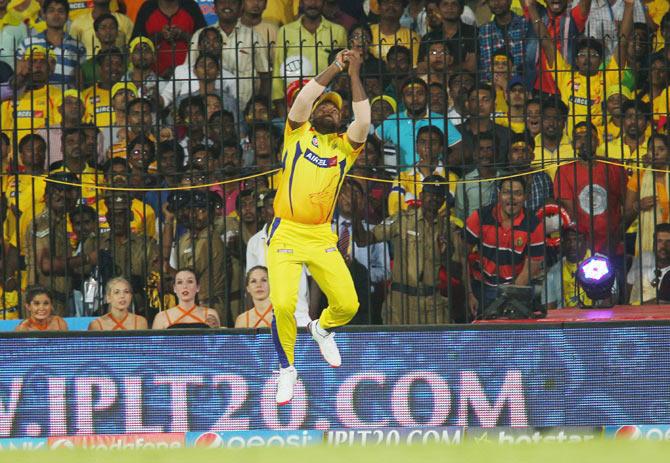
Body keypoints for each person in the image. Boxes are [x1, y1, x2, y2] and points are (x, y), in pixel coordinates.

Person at [269, 49, 370, 405]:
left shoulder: (346, 147)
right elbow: (305, 96)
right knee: (282, 304)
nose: (329, 108)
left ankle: (322, 329)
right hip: (286, 232)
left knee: (348, 304)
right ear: (312, 114)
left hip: (320, 235)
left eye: (335, 108)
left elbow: (364, 120)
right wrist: (336, 67)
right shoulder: (296, 132)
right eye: (324, 106)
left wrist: (355, 72)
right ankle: (286, 370)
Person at [354, 175, 465, 324]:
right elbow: (362, 241)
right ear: (421, 195)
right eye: (430, 194)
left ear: (444, 200)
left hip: (432, 304)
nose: (434, 199)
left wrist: (445, 255)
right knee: (398, 346)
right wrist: (355, 216)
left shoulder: (448, 229)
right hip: (401, 301)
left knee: (434, 347)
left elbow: (458, 271)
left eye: (438, 195)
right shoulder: (402, 220)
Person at [466, 177, 546, 316]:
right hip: (481, 289)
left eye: (518, 193)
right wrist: (469, 293)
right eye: (507, 192)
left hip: (517, 288)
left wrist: (510, 294)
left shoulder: (533, 224)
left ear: (525, 197)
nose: (512, 198)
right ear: (499, 195)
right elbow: (462, 255)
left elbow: (533, 263)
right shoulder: (480, 216)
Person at [24, 172, 84, 316]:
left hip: (59, 300)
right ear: (46, 195)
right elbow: (46, 265)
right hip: (43, 303)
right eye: (56, 191)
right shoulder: (43, 223)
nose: (62, 196)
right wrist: (86, 259)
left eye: (68, 191)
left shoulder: (60, 223)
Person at [271, 0, 347, 111]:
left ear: (323, 3)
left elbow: (343, 69)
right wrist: (279, 105)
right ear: (301, 3)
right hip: (294, 100)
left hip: (327, 99)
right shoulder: (286, 31)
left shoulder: (338, 31)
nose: (313, 4)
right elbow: (278, 68)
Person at [17, 0, 85, 86]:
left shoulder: (77, 47)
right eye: (51, 10)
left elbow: (79, 84)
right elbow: (17, 83)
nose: (56, 14)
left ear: (67, 16)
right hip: (34, 98)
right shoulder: (27, 44)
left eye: (60, 11)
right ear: (44, 15)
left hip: (64, 98)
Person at [132, 0, 207, 77]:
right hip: (152, 77)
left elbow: (205, 41)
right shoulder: (147, 8)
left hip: (189, 76)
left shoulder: (191, 6)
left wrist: (183, 35)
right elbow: (135, 44)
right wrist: (160, 36)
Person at [624, 133, 670, 255]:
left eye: (661, 149)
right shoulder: (639, 177)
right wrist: (638, 206)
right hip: (648, 243)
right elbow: (626, 216)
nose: (656, 153)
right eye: (651, 149)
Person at [152, 268, 221, 328]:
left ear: (198, 287)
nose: (185, 286)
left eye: (190, 281)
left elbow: (218, 341)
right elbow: (155, 343)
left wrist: (215, 329)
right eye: (180, 282)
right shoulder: (162, 317)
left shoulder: (210, 314)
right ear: (174, 288)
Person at [69, 0, 134, 58]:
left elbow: (133, 49)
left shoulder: (125, 21)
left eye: (111, 27)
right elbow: (72, 52)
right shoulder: (78, 23)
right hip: (88, 69)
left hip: (118, 68)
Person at [628, 223, 670, 305]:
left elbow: (663, 302)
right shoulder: (643, 258)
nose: (663, 246)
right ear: (654, 243)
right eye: (659, 241)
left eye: (669, 242)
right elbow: (628, 286)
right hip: (634, 315)